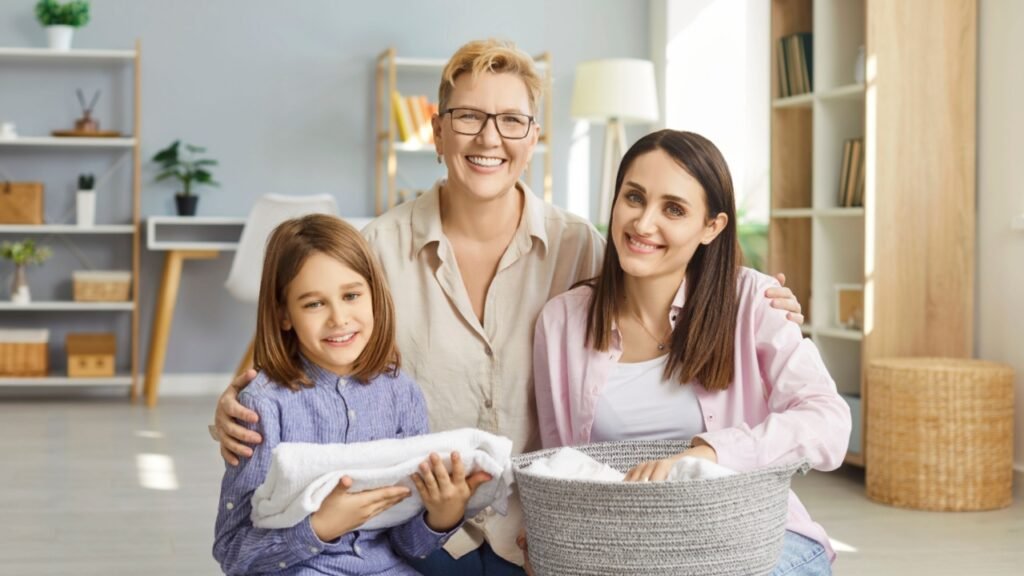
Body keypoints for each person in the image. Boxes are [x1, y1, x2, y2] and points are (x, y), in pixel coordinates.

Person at [213, 40, 805, 576]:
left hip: (543, 534)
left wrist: (758, 300)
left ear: (534, 137)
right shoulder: (376, 252)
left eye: (511, 121)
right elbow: (306, 352)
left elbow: (673, 281)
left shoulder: (583, 247)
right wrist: (236, 407)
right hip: (421, 540)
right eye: (468, 117)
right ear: (438, 132)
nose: (489, 139)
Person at [530, 130, 851, 575]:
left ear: (711, 227)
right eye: (634, 197)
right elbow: (560, 463)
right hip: (629, 552)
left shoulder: (755, 301)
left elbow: (829, 423)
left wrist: (710, 454)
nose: (643, 224)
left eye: (673, 209)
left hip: (757, 541)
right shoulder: (562, 322)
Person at [213, 214, 491, 575]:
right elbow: (233, 552)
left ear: (374, 296)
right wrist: (318, 528)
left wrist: (441, 516)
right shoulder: (263, 406)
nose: (339, 318)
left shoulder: (401, 394)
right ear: (284, 314)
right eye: (314, 303)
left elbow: (406, 543)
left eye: (351, 295)